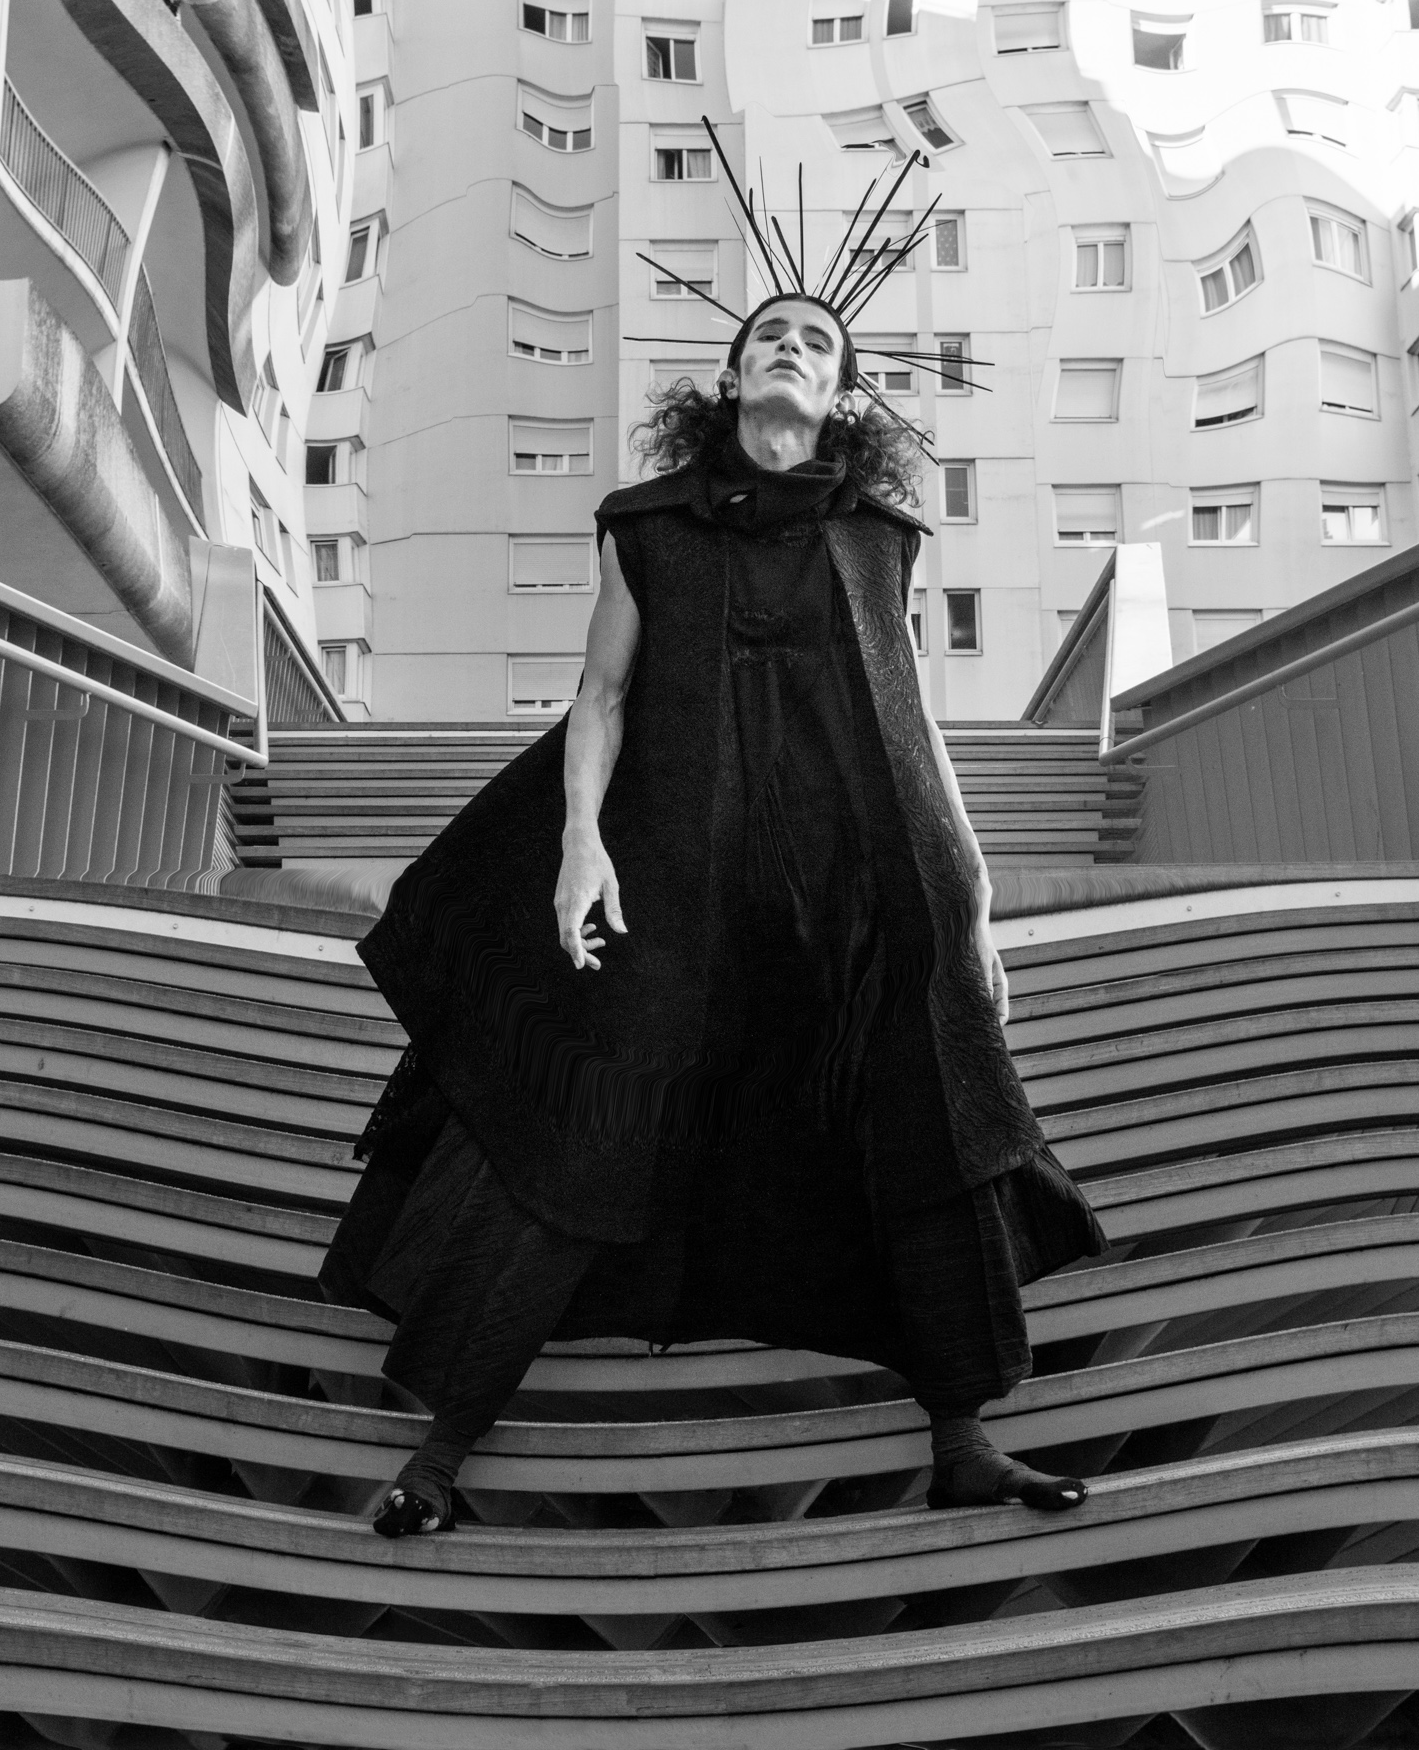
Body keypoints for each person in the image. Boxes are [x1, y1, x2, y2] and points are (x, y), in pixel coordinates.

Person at [318, 291, 1108, 1538]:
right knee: (582, 1115)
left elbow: (914, 723)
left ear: (838, 395)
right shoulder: (648, 527)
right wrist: (579, 844)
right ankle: (441, 1452)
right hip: (673, 878)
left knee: (914, 1115)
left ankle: (962, 1440)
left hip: (852, 892)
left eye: (817, 343)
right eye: (769, 337)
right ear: (732, 380)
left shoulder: (879, 537)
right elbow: (600, 694)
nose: (791, 348)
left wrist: (974, 900)